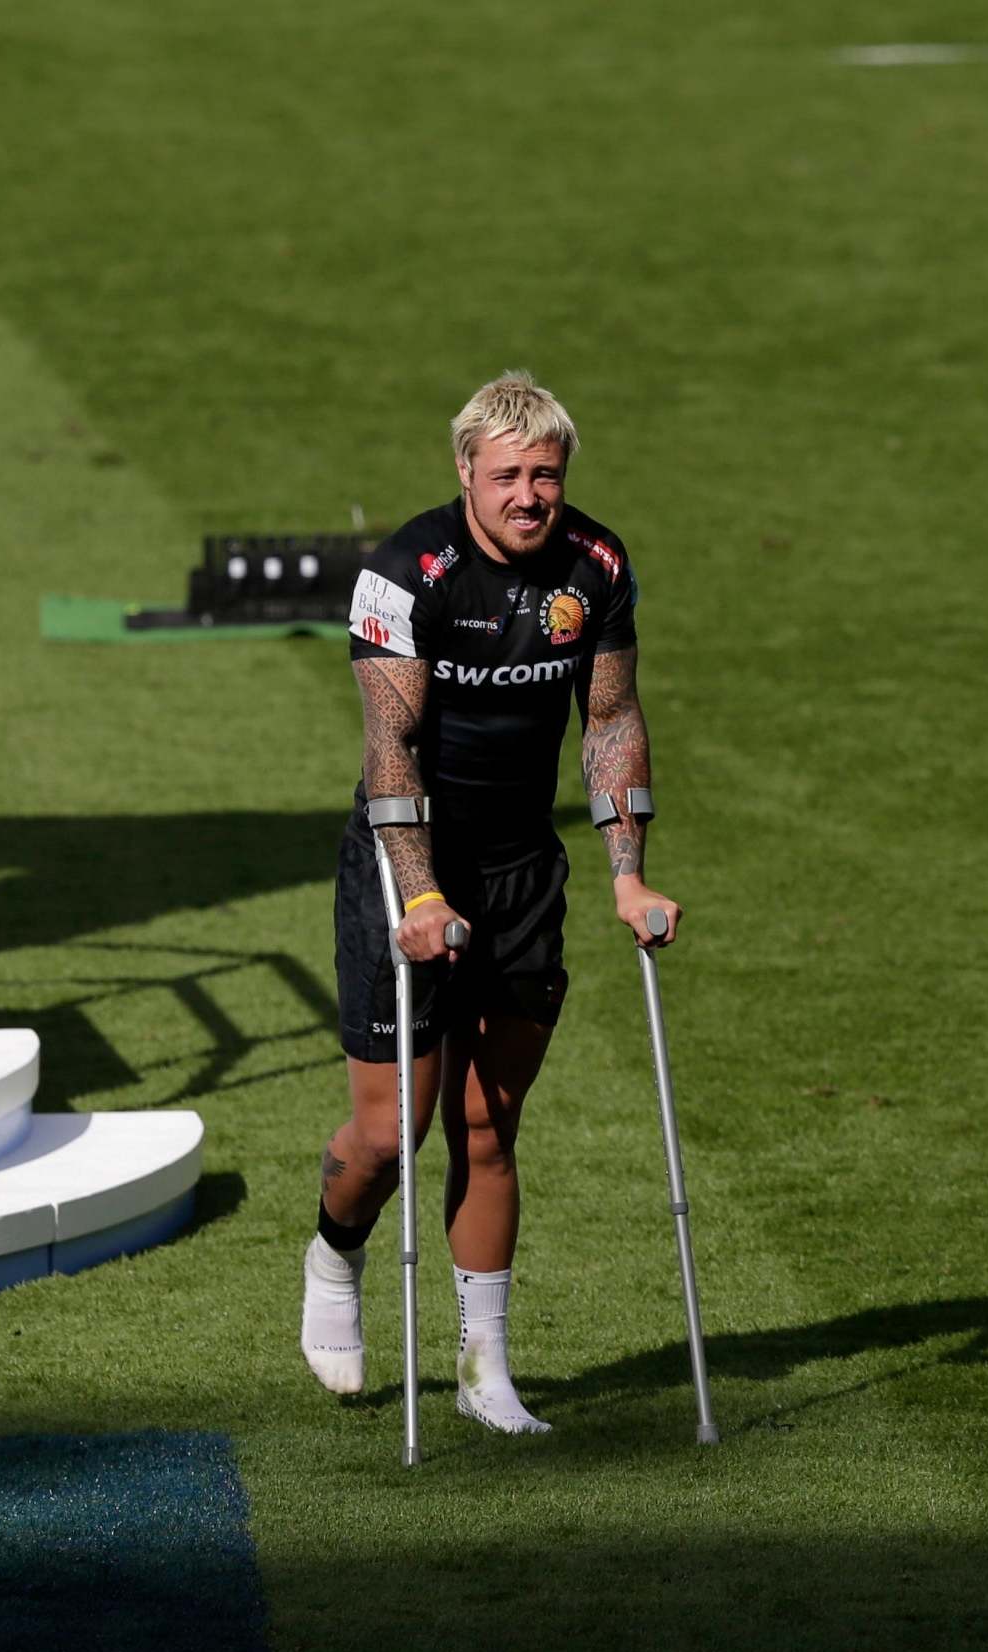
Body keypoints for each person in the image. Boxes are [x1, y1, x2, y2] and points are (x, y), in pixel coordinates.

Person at [299, 372, 679, 1434]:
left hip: (521, 868)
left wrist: (627, 871)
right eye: (507, 473)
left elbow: (609, 720)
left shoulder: (595, 567)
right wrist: (418, 890)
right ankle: (334, 1254)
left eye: (545, 474)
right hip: (402, 858)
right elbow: (391, 746)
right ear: (464, 470)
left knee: (487, 1120)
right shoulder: (404, 573)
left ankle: (484, 1368)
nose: (528, 494)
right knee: (391, 1132)